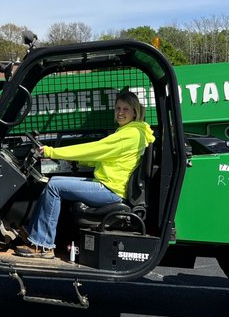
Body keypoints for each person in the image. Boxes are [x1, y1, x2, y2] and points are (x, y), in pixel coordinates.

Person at [14, 90, 156, 259]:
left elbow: (94, 149)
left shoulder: (129, 135)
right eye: (117, 108)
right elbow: (107, 157)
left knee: (54, 186)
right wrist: (81, 162)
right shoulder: (132, 132)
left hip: (111, 190)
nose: (120, 112)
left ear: (134, 112)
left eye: (125, 109)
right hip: (110, 184)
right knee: (56, 181)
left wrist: (52, 152)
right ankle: (33, 233)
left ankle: (43, 244)